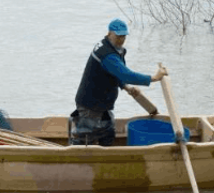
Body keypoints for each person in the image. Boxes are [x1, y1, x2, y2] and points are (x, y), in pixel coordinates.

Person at [71, 18, 166, 146]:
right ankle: (75, 160)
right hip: (90, 105)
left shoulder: (114, 48)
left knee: (108, 133)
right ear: (109, 33)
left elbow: (114, 73)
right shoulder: (107, 54)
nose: (121, 39)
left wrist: (126, 87)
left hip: (102, 103)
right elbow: (126, 74)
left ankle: (106, 159)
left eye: (123, 36)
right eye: (118, 36)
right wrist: (153, 78)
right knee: (85, 137)